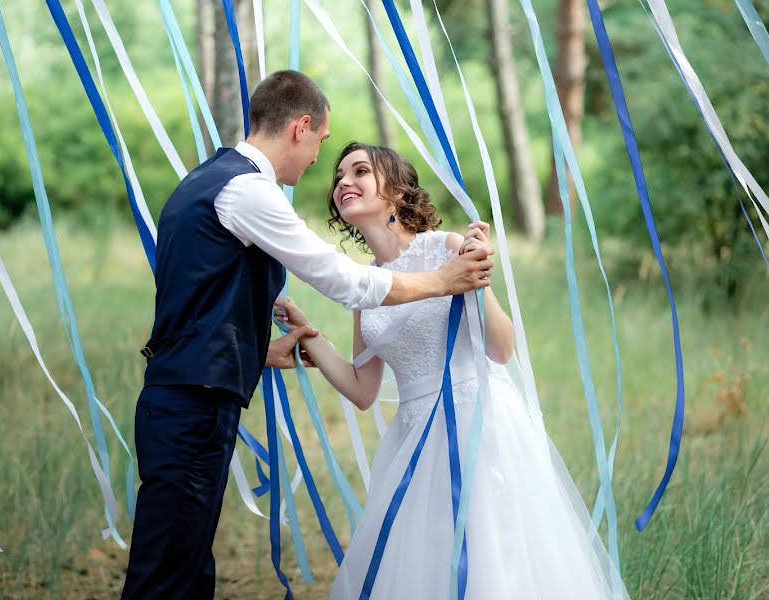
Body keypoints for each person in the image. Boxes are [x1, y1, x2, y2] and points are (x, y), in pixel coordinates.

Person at [121, 72, 495, 599]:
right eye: (322, 146)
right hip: (190, 404)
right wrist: (438, 282)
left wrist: (254, 348)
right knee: (168, 570)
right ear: (301, 127)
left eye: (358, 170)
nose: (320, 164)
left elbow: (196, 300)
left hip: (187, 397)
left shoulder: (208, 180)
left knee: (183, 561)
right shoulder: (246, 190)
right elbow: (340, 278)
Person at [273, 142, 629, 599]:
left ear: (398, 192)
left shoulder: (447, 248)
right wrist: (311, 337)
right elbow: (363, 389)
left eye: (360, 171)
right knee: (428, 559)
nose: (344, 182)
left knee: (488, 554)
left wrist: (478, 281)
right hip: (415, 438)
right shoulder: (369, 287)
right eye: (339, 176)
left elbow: (501, 349)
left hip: (474, 424)